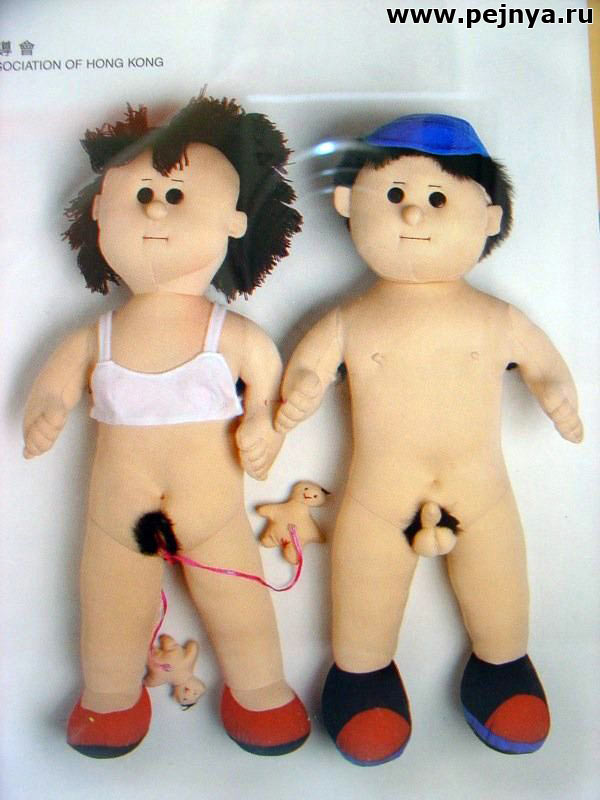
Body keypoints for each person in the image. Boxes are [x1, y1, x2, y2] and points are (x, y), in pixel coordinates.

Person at [276, 114, 582, 765]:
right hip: (378, 494)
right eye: (394, 195)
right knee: (364, 590)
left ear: (488, 218)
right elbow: (308, 367)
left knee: (500, 587)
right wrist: (300, 387)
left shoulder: (495, 317)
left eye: (438, 198)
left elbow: (545, 365)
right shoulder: (351, 319)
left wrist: (557, 392)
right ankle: (361, 680)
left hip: (482, 492)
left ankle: (503, 668)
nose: (413, 212)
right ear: (347, 204)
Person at [23, 94, 310, 758]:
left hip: (213, 514)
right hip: (117, 517)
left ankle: (261, 690)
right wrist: (47, 411)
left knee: (239, 604)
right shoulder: (97, 334)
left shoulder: (229, 332)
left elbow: (268, 382)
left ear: (234, 222)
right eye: (143, 194)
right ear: (101, 210)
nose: (155, 210)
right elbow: (54, 384)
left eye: (177, 197)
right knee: (110, 605)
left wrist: (265, 424)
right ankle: (108, 697)